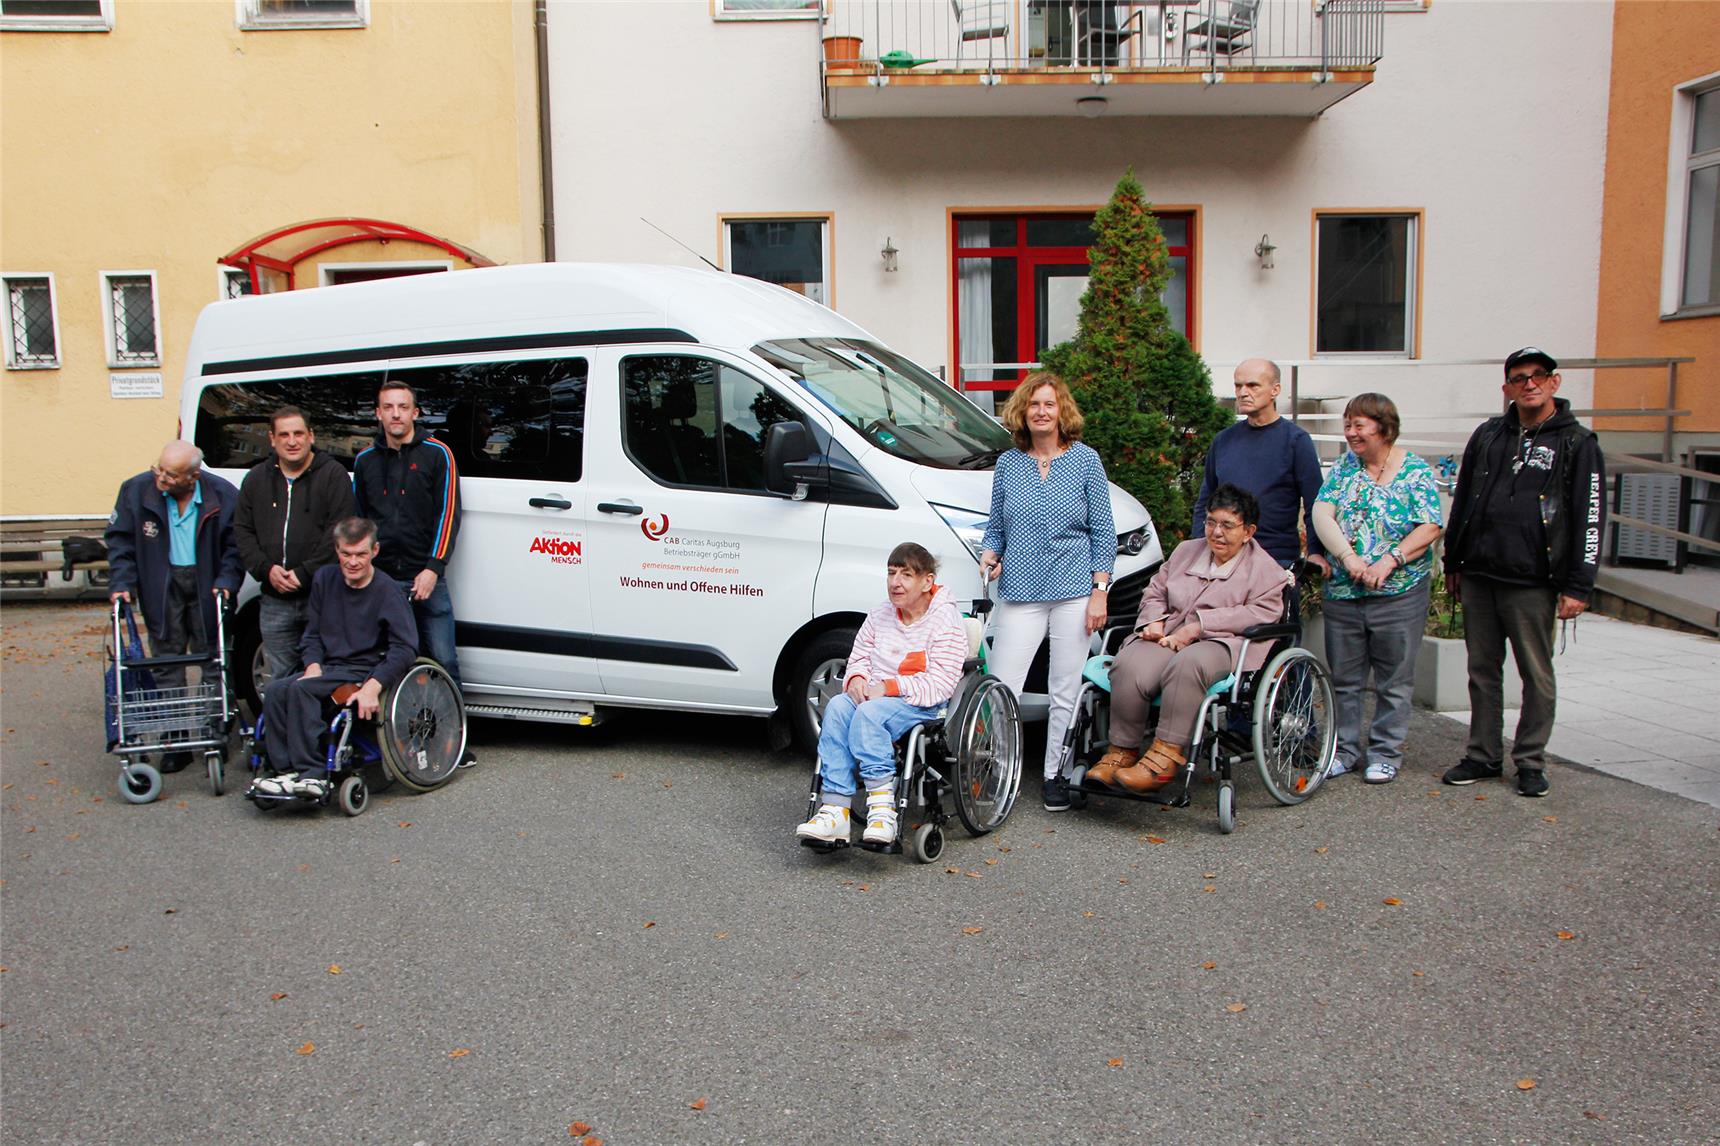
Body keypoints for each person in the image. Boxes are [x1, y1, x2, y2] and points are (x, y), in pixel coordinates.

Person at [1441, 347, 1606, 798]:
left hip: (1533, 581)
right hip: (1479, 574)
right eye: (1519, 377)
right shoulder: (1489, 435)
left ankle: (1530, 760)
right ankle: (1483, 755)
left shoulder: (1577, 443)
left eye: (1538, 376)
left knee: (1535, 674)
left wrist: (1579, 584)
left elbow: (1590, 517)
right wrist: (1452, 561)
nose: (1529, 384)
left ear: (1554, 382)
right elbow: (1463, 501)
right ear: (1507, 388)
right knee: (1482, 671)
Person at [1087, 485, 1290, 792]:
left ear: (1248, 531)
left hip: (1222, 644)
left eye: (1227, 525)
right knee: (1130, 664)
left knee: (1188, 665)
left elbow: (1261, 613)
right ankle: (1122, 751)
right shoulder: (1186, 552)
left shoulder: (1265, 571)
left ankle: (1165, 755)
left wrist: (1198, 625)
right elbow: (1155, 590)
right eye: (1211, 522)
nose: (1216, 532)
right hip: (1167, 635)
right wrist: (1153, 620)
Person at [979, 372, 1115, 812]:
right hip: (1020, 591)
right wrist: (989, 552)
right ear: (1023, 411)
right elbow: (996, 525)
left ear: (1062, 412)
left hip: (1075, 591)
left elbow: (1103, 531)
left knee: (1063, 689)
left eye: (1049, 405)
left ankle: (1055, 773)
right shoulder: (1008, 464)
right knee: (1002, 685)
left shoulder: (1086, 460)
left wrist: (1100, 590)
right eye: (1034, 404)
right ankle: (1000, 767)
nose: (1041, 411)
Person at [796, 542, 968, 848]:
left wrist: (889, 687)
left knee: (868, 714)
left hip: (920, 703)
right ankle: (835, 809)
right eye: (891, 573)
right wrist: (858, 679)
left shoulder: (946, 621)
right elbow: (859, 656)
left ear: (927, 581)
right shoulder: (879, 615)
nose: (895, 582)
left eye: (906, 575)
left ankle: (882, 811)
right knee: (837, 706)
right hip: (874, 697)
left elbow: (941, 684)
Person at [1312, 393, 1444, 785]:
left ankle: (1385, 752)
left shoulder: (1415, 470)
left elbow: (1430, 526)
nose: (1351, 433)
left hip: (1399, 593)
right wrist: (1349, 559)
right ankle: (1345, 750)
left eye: (1359, 425)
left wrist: (1389, 561)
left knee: (1394, 679)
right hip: (1345, 592)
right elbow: (1322, 512)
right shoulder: (1344, 469)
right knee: (1345, 679)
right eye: (1347, 424)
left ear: (1384, 428)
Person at [352, 380, 474, 767]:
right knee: (386, 661)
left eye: (403, 407)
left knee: (441, 659)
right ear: (378, 414)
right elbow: (361, 522)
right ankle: (395, 745)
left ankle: (453, 745)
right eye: (388, 407)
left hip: (425, 575)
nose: (396, 414)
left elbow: (448, 514)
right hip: (382, 580)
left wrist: (433, 568)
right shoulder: (365, 460)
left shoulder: (439, 454)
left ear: (415, 413)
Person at [252, 518, 419, 800]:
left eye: (360, 554)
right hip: (328, 666)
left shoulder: (387, 590)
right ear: (337, 550)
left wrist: (374, 686)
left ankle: (312, 773)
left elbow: (405, 647)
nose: (353, 562)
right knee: (278, 689)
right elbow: (313, 633)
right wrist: (312, 663)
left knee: (301, 690)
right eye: (346, 554)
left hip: (363, 669)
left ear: (374, 551)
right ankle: (284, 771)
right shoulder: (324, 579)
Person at [105, 441, 244, 771]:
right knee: (167, 663)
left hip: (206, 582)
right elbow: (120, 541)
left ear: (193, 475)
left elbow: (235, 548)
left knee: (214, 659)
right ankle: (175, 739)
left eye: (169, 475)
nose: (160, 479)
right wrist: (122, 583)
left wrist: (227, 580)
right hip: (161, 584)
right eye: (158, 469)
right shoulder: (136, 491)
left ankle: (214, 733)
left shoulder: (222, 496)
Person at [233, 407, 356, 682]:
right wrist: (266, 570)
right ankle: (287, 726)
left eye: (298, 433)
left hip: (322, 595)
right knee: (281, 678)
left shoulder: (333, 475)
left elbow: (340, 530)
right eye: (284, 435)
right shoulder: (255, 479)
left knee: (325, 676)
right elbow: (242, 530)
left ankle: (318, 726)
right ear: (272, 439)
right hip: (275, 598)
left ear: (311, 436)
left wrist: (303, 573)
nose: (292, 441)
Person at [1192, 358, 1329, 577]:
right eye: (1238, 385)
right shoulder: (1224, 441)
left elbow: (1315, 504)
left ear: (1275, 390)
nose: (1243, 392)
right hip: (1225, 562)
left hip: (1275, 561)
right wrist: (1198, 546)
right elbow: (1205, 501)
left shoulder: (1296, 441)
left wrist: (1316, 552)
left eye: (1252, 385)